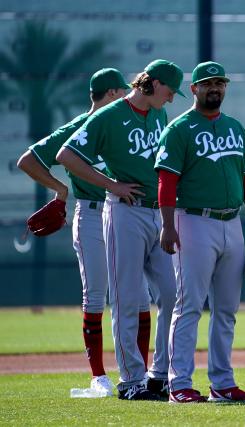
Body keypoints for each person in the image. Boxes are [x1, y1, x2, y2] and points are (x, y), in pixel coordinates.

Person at [57, 59, 183, 400]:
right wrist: (111, 184)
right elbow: (66, 154)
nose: (172, 99)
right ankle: (131, 381)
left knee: (174, 295)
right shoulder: (108, 115)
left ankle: (158, 373)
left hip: (158, 213)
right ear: (155, 84)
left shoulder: (158, 115)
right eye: (171, 91)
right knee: (127, 298)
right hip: (125, 214)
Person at [17, 68, 133, 397]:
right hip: (93, 216)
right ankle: (98, 376)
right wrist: (60, 189)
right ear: (111, 94)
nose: (127, 96)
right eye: (122, 92)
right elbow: (28, 160)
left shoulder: (125, 126)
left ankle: (139, 375)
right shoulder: (76, 129)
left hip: (127, 214)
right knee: (95, 295)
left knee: (135, 295)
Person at [154, 61, 245, 404]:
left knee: (227, 309)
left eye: (220, 83)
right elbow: (166, 181)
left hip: (233, 223)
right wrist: (168, 226)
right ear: (194, 89)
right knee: (189, 306)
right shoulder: (180, 129)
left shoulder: (234, 127)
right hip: (194, 222)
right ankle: (179, 384)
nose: (214, 88)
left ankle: (223, 382)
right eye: (207, 83)